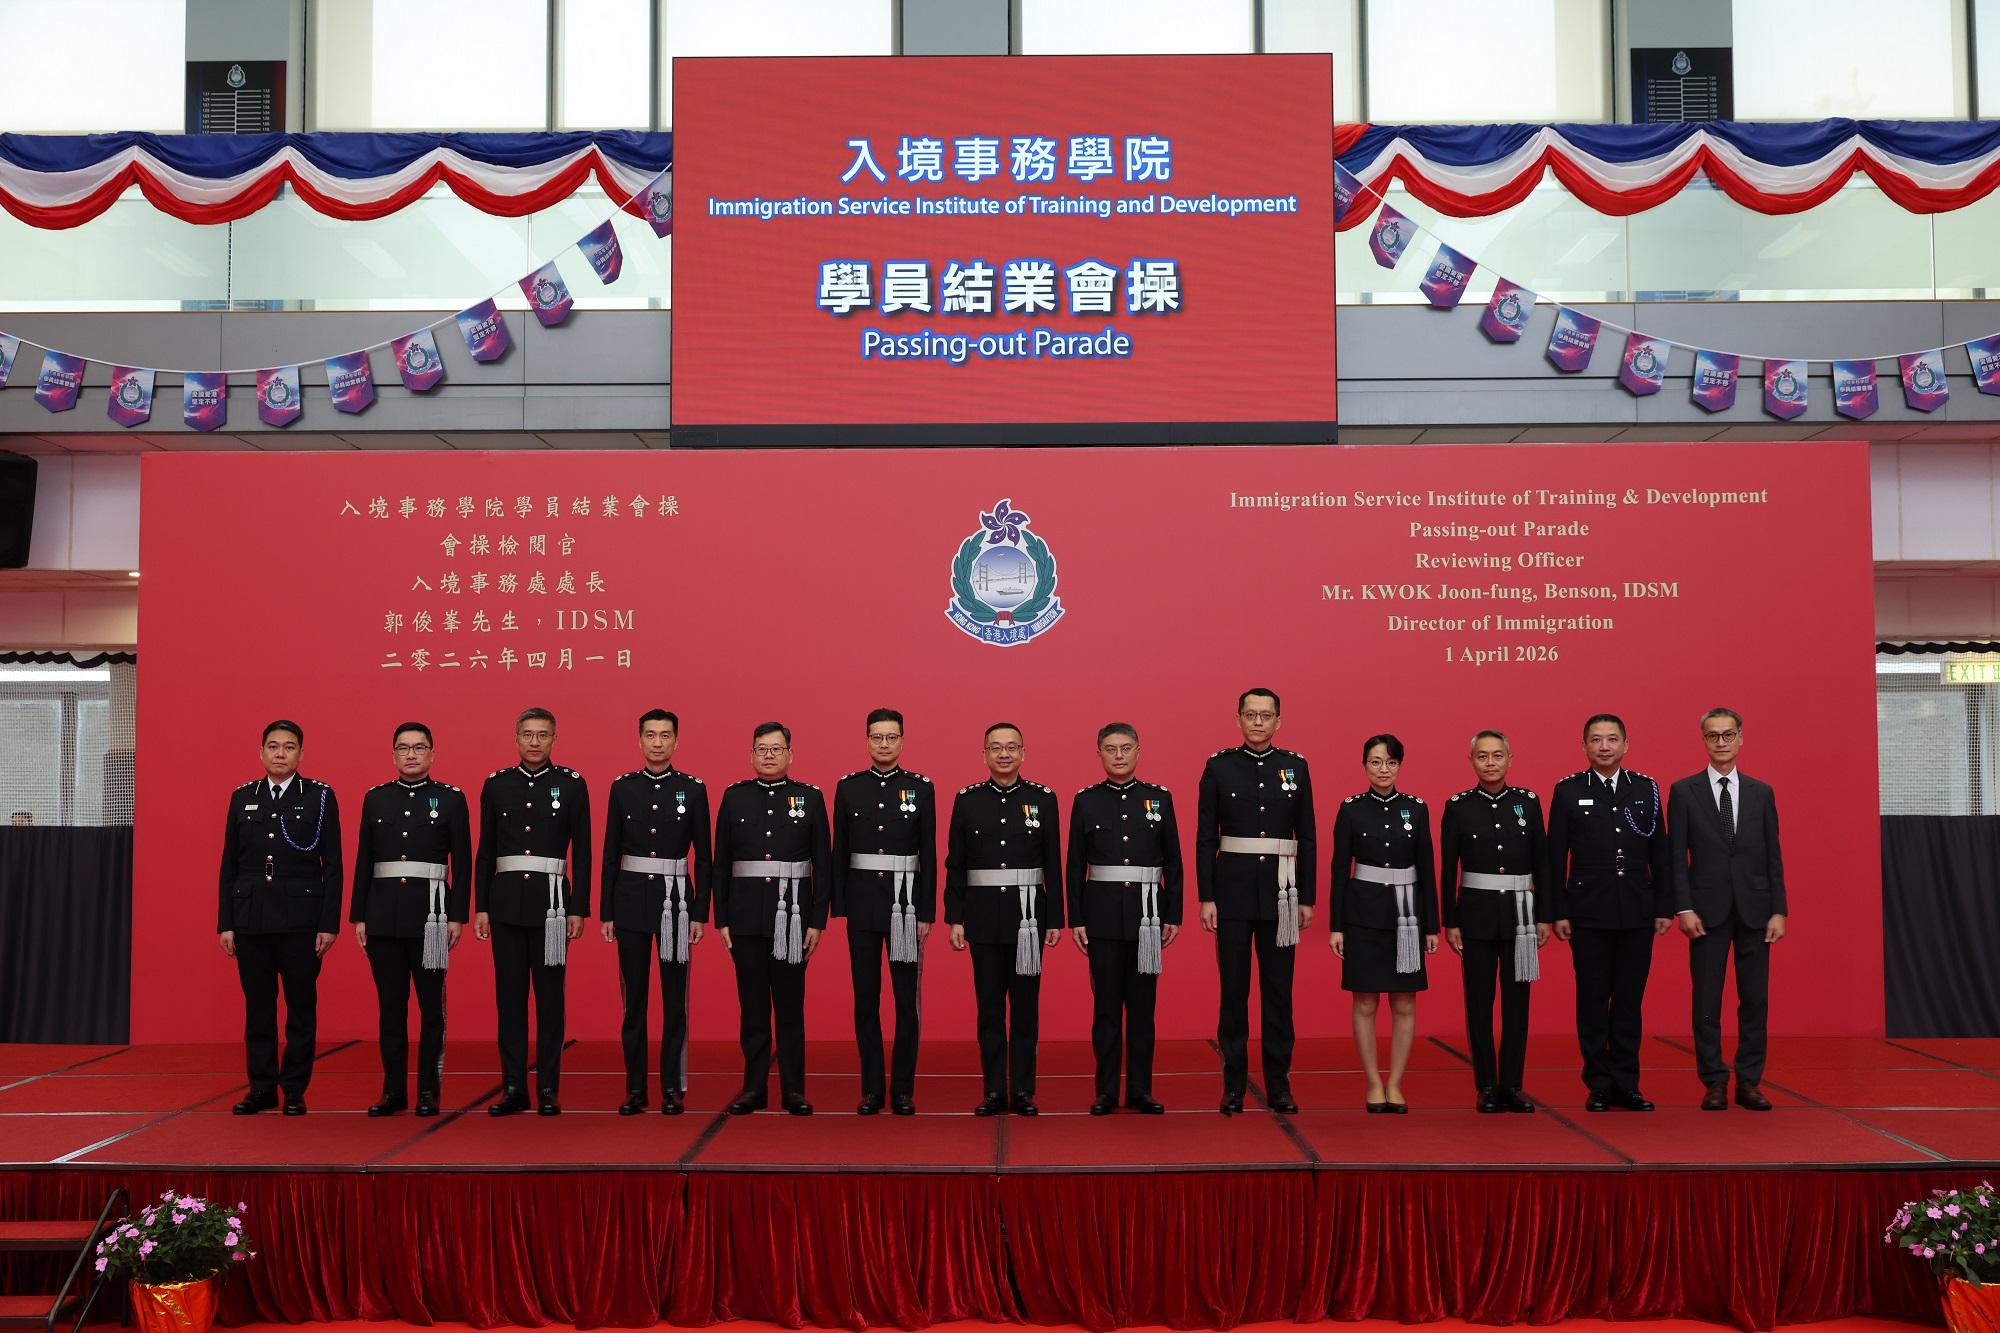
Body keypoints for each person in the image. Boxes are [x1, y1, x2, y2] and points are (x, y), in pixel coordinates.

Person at [1196, 688, 1315, 1116]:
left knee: (1279, 992)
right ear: (1239, 719)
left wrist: (1307, 896)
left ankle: (1279, 1085)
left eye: (1266, 715)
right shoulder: (1219, 767)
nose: (1259, 722)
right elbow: (1207, 836)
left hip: (1283, 894)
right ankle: (1233, 1086)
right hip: (1232, 893)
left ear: (1279, 721)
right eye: (1251, 714)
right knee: (1234, 992)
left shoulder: (1295, 767)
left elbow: (1309, 836)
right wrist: (1206, 896)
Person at [1547, 713, 1672, 1112]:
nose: (1604, 746)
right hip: (1587, 911)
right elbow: (1555, 858)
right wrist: (1558, 911)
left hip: (1637, 909)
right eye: (1596, 740)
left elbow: (1661, 854)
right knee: (1592, 998)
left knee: (1629, 1000)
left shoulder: (1646, 789)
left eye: (1612, 739)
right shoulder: (1568, 791)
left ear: (1625, 745)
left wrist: (1664, 906)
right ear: (1583, 746)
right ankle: (1598, 1083)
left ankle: (1627, 1083)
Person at [216, 720, 341, 1116]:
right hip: (251, 917)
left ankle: (295, 1089)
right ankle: (262, 1088)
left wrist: (328, 923)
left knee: (301, 1008)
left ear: (301, 754)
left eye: (289, 747)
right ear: (261, 753)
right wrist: (226, 922)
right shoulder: (242, 798)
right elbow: (228, 866)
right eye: (273, 746)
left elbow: (333, 865)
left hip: (301, 920)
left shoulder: (320, 797)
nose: (281, 753)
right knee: (259, 1007)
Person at [1668, 707, 1787, 1112]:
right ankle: (1714, 1081)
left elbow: (1774, 856)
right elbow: (1675, 857)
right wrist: (1683, 907)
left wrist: (1779, 910)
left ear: (1740, 739)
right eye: (1713, 735)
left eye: (1728, 734)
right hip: (1705, 911)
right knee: (1706, 1000)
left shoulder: (1761, 792)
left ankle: (1749, 1081)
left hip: (1756, 911)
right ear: (1703, 740)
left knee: (1754, 999)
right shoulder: (1684, 791)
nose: (1721, 742)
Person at [474, 707, 591, 1117]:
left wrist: (579, 908)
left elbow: (584, 851)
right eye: (528, 734)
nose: (535, 742)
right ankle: (512, 1087)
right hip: (504, 905)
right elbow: (485, 850)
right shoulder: (497, 785)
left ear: (554, 739)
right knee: (509, 1001)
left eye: (543, 735)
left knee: (549, 1000)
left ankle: (546, 1088)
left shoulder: (572, 785)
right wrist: (481, 907)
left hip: (553, 908)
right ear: (516, 738)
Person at [350, 722, 471, 1117]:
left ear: (433, 754)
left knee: (431, 1010)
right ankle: (393, 1092)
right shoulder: (376, 799)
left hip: (431, 918)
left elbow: (463, 863)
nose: (411, 754)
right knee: (390, 1009)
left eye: (419, 747)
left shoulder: (450, 799)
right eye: (403, 748)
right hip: (382, 917)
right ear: (393, 755)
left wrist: (457, 916)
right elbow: (364, 860)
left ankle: (427, 1092)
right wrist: (358, 916)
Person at [944, 722, 1064, 1116]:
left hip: (1028, 918)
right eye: (995, 748)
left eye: (1012, 747)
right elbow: (956, 864)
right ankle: (994, 1091)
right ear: (984, 755)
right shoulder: (967, 800)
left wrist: (1055, 919)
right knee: (990, 1010)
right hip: (981, 919)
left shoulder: (1043, 799)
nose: (1004, 754)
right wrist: (955, 916)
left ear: (1024, 753)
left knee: (1026, 1010)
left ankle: (1024, 1091)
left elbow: (1053, 864)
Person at [712, 721, 832, 1116]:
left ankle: (794, 1090)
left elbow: (823, 866)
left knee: (790, 1008)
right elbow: (721, 863)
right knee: (752, 1009)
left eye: (776, 749)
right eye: (761, 748)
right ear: (751, 754)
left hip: (794, 921)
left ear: (790, 755)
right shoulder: (734, 798)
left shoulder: (810, 798)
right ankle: (754, 1088)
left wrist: (817, 921)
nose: (768, 755)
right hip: (745, 919)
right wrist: (722, 918)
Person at [1066, 722, 1182, 1115]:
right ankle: (1105, 1091)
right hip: (1100, 917)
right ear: (1098, 754)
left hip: (1148, 916)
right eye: (1111, 749)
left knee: (1143, 1008)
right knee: (1106, 1008)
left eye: (1126, 748)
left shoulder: (1159, 799)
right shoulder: (1085, 801)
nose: (1119, 755)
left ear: (1138, 751)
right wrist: (1076, 917)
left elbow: (1174, 864)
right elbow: (1074, 866)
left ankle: (1140, 1090)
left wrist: (1173, 914)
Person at [601, 709, 712, 1116]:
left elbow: (704, 856)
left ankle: (671, 1087)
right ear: (640, 740)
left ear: (676, 742)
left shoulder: (693, 789)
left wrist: (700, 913)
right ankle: (635, 1089)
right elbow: (611, 851)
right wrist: (606, 911)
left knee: (674, 1002)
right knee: (634, 1003)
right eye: (650, 735)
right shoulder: (622, 788)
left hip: (676, 904)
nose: (658, 742)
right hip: (630, 901)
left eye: (665, 736)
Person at [831, 708, 936, 1116]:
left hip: (906, 907)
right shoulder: (848, 788)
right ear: (867, 740)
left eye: (891, 737)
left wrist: (925, 910)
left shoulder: (921, 788)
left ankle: (903, 1089)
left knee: (906, 1001)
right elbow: (840, 852)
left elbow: (928, 852)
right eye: (877, 737)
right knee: (866, 1000)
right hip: (861, 905)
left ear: (902, 741)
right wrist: (839, 907)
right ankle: (872, 1088)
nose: (884, 744)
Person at [1440, 729, 1551, 1114]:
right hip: (1477, 917)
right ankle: (1486, 1085)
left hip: (1521, 917)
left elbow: (1543, 863)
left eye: (1497, 755)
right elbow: (1448, 868)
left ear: (1510, 759)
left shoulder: (1528, 802)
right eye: (1483, 756)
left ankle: (1513, 1086)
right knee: (1480, 1004)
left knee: (1518, 1005)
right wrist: (1450, 920)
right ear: (1471, 761)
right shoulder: (1458, 806)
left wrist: (1545, 916)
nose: (1490, 762)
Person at [1329, 734, 1437, 1113]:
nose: (1383, 770)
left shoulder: (1417, 808)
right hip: (1362, 915)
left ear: (1400, 765)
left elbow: (1427, 868)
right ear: (1364, 766)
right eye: (1375, 762)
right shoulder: (1351, 809)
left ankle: (1396, 1082)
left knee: (1405, 1001)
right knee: (1365, 1001)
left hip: (1407, 916)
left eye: (1390, 762)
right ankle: (1374, 1081)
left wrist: (1432, 926)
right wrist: (1337, 925)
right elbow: (1339, 869)